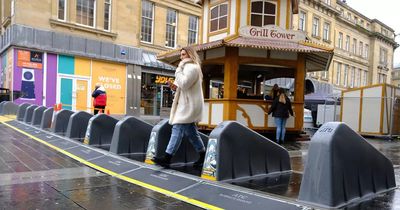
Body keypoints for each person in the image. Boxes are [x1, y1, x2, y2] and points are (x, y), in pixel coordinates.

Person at [152, 47, 206, 168]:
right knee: (191, 132)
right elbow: (180, 86)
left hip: (189, 105)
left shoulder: (192, 68)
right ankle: (203, 155)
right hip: (187, 104)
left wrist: (178, 71)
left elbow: (185, 84)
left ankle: (167, 157)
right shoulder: (185, 68)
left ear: (190, 55)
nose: (181, 57)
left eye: (183, 54)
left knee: (177, 127)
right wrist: (173, 86)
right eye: (181, 55)